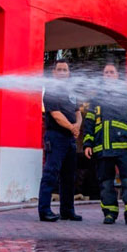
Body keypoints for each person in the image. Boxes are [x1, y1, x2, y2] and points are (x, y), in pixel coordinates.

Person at [83, 62, 127, 226]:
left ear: (117, 76)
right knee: (105, 184)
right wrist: (88, 144)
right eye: (106, 73)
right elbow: (89, 124)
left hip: (123, 148)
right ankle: (109, 214)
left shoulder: (126, 96)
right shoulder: (96, 100)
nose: (108, 75)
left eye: (112, 72)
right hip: (101, 149)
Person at [38, 59, 82, 222]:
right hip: (56, 137)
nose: (63, 73)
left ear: (69, 73)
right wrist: (72, 127)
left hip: (70, 138)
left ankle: (67, 210)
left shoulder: (71, 91)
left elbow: (78, 111)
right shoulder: (51, 91)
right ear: (54, 73)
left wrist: (77, 125)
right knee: (51, 174)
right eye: (60, 70)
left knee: (69, 176)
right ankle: (44, 210)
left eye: (65, 70)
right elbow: (56, 114)